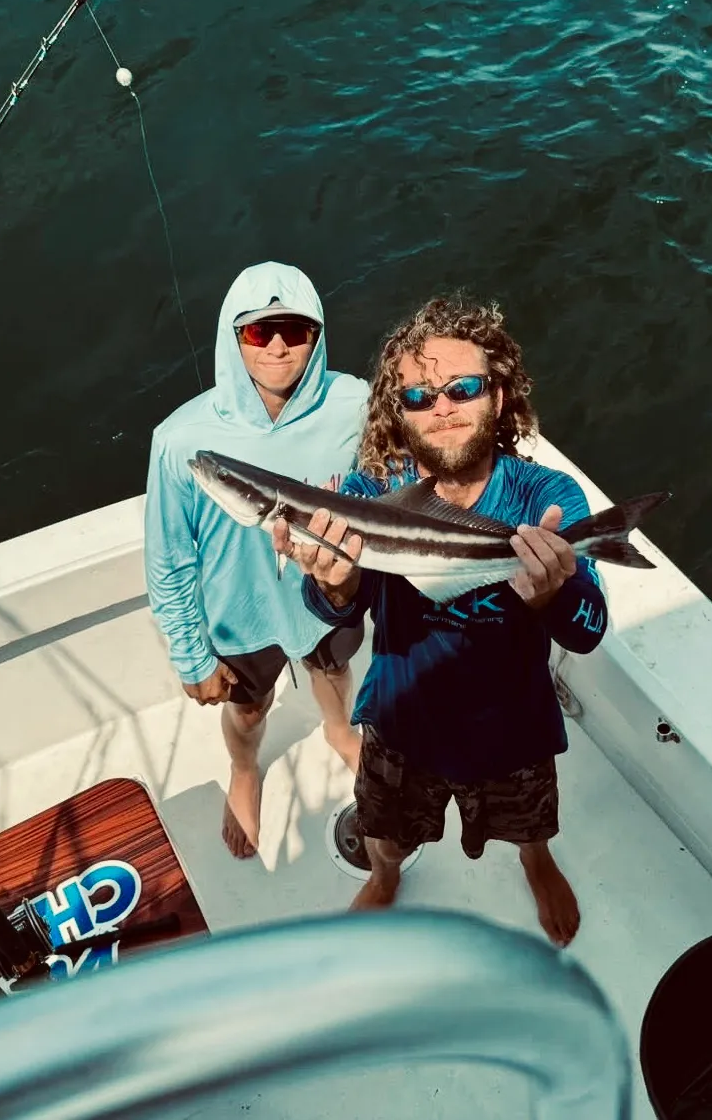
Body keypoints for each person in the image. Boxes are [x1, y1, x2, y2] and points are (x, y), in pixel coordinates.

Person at [274, 294, 606, 946]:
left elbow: (586, 630)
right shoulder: (370, 493)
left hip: (515, 727)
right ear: (396, 416)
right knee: (386, 834)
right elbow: (330, 608)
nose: (442, 407)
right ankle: (385, 876)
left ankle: (535, 862)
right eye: (418, 398)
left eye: (462, 388)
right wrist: (335, 586)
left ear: (499, 397)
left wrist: (550, 596)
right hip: (401, 722)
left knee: (530, 824)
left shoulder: (545, 498)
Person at [145, 262, 369, 859]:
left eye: (294, 331)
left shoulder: (355, 403)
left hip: (331, 597)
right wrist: (193, 656)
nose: (276, 345)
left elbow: (384, 486)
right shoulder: (179, 440)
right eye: (256, 331)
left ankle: (339, 729)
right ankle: (245, 771)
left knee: (335, 672)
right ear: (232, 337)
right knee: (247, 714)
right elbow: (170, 559)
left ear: (316, 337)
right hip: (237, 617)